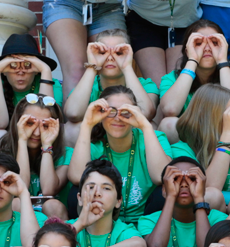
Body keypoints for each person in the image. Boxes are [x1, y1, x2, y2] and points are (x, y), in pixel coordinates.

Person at [64, 88, 183, 223]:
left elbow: (161, 177)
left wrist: (145, 125)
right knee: (76, 193)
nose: (117, 118)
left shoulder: (154, 138)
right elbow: (77, 178)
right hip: (103, 221)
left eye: (126, 112)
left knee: (164, 190)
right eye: (111, 111)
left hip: (148, 221)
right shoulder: (95, 147)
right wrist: (87, 124)